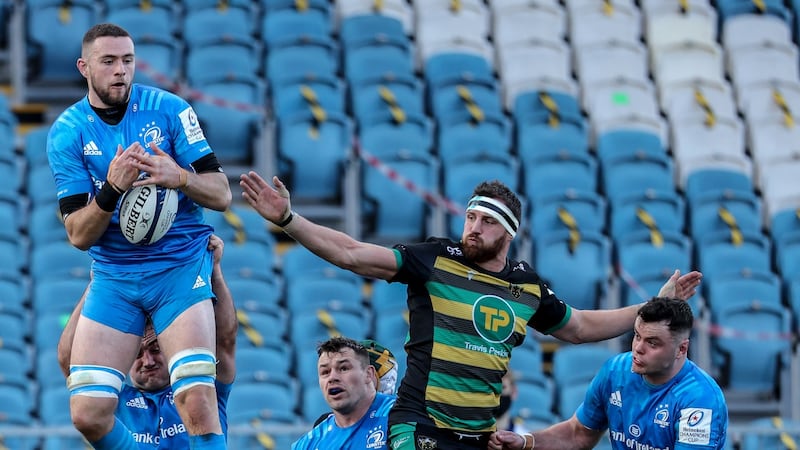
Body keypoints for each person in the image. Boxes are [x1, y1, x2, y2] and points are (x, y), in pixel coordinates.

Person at [239, 174, 703, 450]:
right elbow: (354, 254)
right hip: (420, 424)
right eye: (470, 217)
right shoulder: (435, 259)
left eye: (486, 221)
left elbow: (579, 327)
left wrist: (650, 308)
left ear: (509, 233)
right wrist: (288, 220)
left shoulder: (526, 286)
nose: (473, 227)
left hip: (481, 436)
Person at [47, 23, 232, 449]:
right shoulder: (68, 132)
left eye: (127, 61)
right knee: (88, 415)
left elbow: (221, 193)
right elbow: (78, 234)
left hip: (178, 269)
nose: (120, 71)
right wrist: (112, 189)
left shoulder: (168, 110)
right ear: (84, 67)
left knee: (197, 401)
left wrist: (179, 177)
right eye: (108, 62)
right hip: (115, 274)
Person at [56, 235, 236, 449]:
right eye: (137, 354)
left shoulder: (207, 387)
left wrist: (214, 270)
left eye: (155, 348)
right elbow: (68, 360)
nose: (148, 361)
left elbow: (224, 340)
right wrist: (99, 285)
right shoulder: (115, 401)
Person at [488, 297, 729, 450]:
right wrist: (527, 442)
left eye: (653, 343)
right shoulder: (617, 371)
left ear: (682, 349)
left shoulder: (700, 399)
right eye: (636, 336)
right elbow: (577, 434)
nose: (638, 348)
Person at [292, 336, 397, 450]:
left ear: (368, 374)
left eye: (343, 368)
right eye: (325, 372)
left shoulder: (401, 414)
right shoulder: (306, 444)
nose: (332, 377)